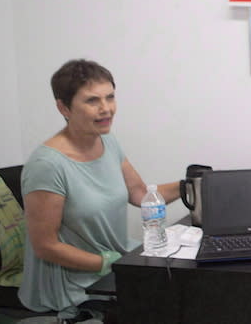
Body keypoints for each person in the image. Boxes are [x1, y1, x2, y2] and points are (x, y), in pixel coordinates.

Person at [19, 59, 182, 323]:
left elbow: (139, 193)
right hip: (78, 283)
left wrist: (191, 185)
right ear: (64, 107)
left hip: (115, 263)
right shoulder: (46, 165)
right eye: (92, 101)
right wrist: (109, 263)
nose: (106, 109)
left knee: (189, 290)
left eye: (110, 97)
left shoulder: (106, 139)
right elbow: (45, 246)